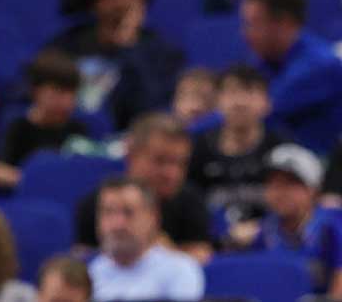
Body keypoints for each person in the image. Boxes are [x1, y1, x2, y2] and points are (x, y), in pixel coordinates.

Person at [46, 0, 186, 128]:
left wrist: (129, 46)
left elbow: (152, 109)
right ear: (92, 0)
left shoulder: (163, 50)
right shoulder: (67, 44)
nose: (121, 3)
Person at [75, 114, 212, 262]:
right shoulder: (97, 203)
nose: (172, 174)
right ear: (131, 155)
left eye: (181, 163)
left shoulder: (191, 202)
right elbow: (83, 262)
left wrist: (166, 253)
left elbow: (202, 257)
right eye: (160, 161)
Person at [241, 0, 342, 154]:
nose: (245, 33)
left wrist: (187, 129)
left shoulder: (320, 66)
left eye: (254, 23)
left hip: (318, 171)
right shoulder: (264, 60)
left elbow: (251, 114)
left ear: (284, 23)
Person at [187, 65, 289, 232]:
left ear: (267, 102)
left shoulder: (283, 150)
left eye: (250, 92)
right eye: (232, 92)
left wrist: (260, 230)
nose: (240, 102)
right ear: (217, 101)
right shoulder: (197, 150)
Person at [234, 144, 342, 296]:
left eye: (290, 184)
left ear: (313, 189)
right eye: (273, 184)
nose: (280, 192)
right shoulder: (264, 231)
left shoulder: (333, 226)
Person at [88, 177, 204, 301]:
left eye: (128, 212)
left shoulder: (180, 270)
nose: (117, 224)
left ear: (152, 218)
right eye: (108, 212)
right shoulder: (91, 274)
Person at [0, 50, 87, 190]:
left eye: (71, 93)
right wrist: (38, 179)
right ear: (36, 91)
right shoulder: (17, 126)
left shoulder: (79, 128)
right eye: (58, 92)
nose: (66, 101)